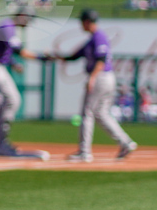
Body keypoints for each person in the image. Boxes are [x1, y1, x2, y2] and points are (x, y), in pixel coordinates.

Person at [54, 9, 136, 162]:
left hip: (101, 77)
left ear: (87, 21)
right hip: (106, 78)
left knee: (87, 113)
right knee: (101, 113)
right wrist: (55, 56)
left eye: (82, 21)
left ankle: (84, 152)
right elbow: (73, 57)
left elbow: (101, 59)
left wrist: (92, 78)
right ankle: (125, 142)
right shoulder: (92, 39)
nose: (80, 24)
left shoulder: (99, 37)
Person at [0, 8, 49, 158]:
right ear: (21, 15)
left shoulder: (10, 28)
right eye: (28, 18)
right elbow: (17, 49)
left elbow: (5, 51)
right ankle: (1, 144)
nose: (29, 22)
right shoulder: (7, 26)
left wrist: (14, 63)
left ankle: (2, 143)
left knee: (12, 100)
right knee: (0, 102)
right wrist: (40, 57)